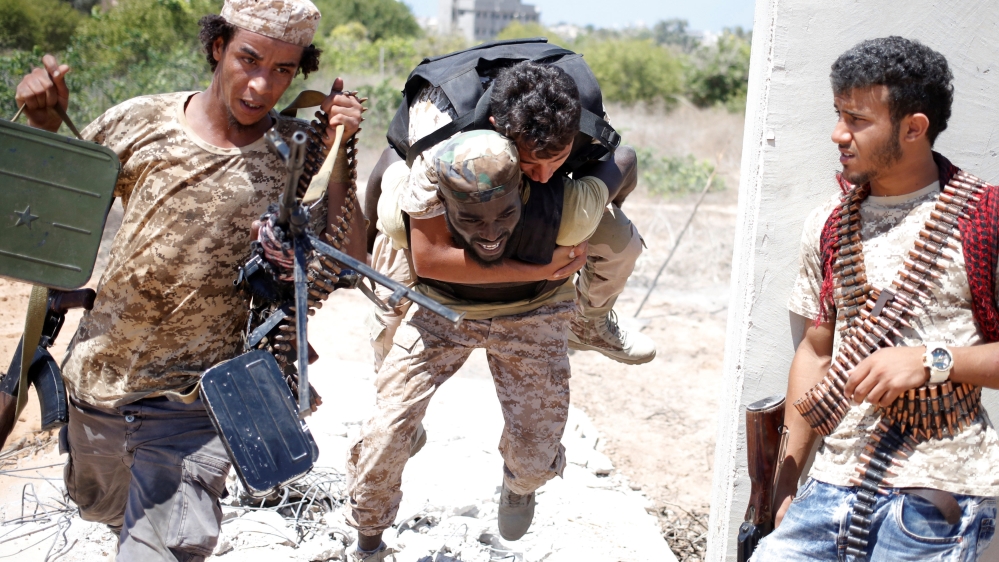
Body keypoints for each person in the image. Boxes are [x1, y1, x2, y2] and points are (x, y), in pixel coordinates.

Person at [13, 0, 362, 559]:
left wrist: (344, 150)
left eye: (282, 71)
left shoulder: (293, 150)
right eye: (249, 58)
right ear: (217, 47)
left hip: (196, 405)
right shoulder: (138, 122)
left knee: (165, 547)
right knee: (101, 506)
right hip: (100, 384)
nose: (261, 84)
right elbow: (48, 226)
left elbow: (346, 253)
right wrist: (45, 128)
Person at [753, 37, 999, 561]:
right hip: (829, 485)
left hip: (939, 490)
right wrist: (785, 484)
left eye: (858, 120)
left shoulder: (986, 218)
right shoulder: (829, 223)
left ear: (913, 128)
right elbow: (817, 352)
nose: (838, 133)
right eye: (838, 114)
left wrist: (934, 362)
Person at [346, 129, 628, 561]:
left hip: (534, 309)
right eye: (471, 220)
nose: (491, 232)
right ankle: (369, 538)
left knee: (536, 457)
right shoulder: (414, 202)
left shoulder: (567, 204)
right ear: (442, 205)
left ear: (524, 189)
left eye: (505, 215)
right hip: (441, 307)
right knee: (385, 436)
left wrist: (609, 217)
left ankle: (519, 485)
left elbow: (623, 159)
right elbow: (388, 161)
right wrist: (365, 241)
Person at [364, 59, 653, 371]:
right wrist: (541, 270)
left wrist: (596, 216)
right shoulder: (441, 143)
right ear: (498, 130)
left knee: (608, 233)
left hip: (514, 180)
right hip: (450, 180)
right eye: (531, 164)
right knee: (395, 230)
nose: (543, 176)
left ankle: (589, 323)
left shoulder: (579, 111)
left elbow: (624, 159)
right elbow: (429, 257)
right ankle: (389, 372)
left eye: (556, 160)